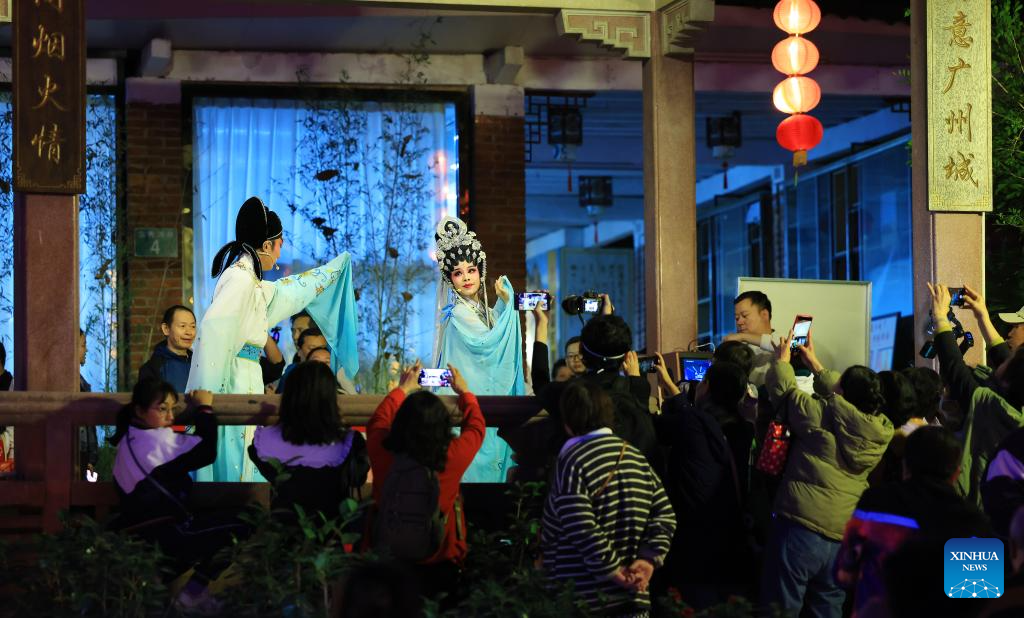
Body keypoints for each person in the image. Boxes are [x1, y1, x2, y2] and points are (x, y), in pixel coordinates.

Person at [186, 196, 359, 482]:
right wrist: (206, 390)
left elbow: (285, 293)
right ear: (266, 246)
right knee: (235, 460)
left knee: (243, 457)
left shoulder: (249, 280)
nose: (280, 251)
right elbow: (214, 332)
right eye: (279, 244)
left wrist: (331, 272)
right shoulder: (240, 279)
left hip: (246, 375)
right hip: (234, 378)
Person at [760, 331, 894, 618]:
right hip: (841, 532)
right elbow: (839, 397)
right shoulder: (879, 432)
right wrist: (815, 364)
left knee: (782, 606)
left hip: (800, 523)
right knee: (829, 605)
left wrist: (782, 361)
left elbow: (785, 394)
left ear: (841, 392)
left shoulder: (818, 414)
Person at [540, 379, 676, 616]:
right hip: (633, 597)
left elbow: (580, 525)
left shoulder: (573, 461)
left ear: (567, 422)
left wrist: (614, 572)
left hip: (585, 599)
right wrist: (648, 560)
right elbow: (665, 514)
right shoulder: (635, 457)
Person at [110, 380, 243, 611]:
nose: (171, 416)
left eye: (173, 408)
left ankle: (159, 591)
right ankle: (191, 595)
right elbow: (206, 450)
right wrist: (204, 408)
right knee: (245, 523)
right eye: (162, 409)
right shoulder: (157, 440)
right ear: (139, 411)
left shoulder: (129, 436)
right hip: (170, 538)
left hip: (139, 538)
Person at [836, 426, 989, 618]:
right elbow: (980, 600)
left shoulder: (875, 503)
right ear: (956, 473)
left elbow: (844, 573)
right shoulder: (975, 524)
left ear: (905, 465)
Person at [366, 360, 484, 604]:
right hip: (441, 559)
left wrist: (403, 388)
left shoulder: (383, 450)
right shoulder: (452, 455)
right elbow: (476, 428)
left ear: (400, 422)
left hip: (388, 559)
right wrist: (464, 392)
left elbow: (378, 420)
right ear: (443, 425)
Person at [654, 358, 755, 608]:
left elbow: (654, 427)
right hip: (730, 536)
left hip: (692, 537)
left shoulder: (692, 424)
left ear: (706, 386)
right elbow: (695, 420)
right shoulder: (745, 429)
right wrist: (673, 390)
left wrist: (636, 381)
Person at [431, 216, 522, 483]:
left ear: (479, 271)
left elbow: (493, 329)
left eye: (471, 270)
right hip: (468, 403)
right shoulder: (459, 312)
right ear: (450, 280)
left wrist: (504, 304)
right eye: (458, 273)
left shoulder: (482, 310)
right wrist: (510, 309)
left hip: (479, 401)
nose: (466, 278)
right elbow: (488, 343)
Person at [926, 283, 1024, 505]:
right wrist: (982, 317)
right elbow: (1007, 360)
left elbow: (955, 370)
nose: (1008, 334)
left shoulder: (991, 407)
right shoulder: (1015, 401)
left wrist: (940, 318)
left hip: (982, 504)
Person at [248, 361, 369, 520]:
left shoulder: (264, 442)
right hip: (331, 532)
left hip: (280, 532)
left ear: (289, 396)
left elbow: (264, 466)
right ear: (332, 398)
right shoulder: (350, 443)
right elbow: (358, 479)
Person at [138, 305, 196, 393]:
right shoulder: (152, 368)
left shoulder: (198, 363)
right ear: (166, 329)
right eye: (183, 326)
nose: (189, 332)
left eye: (193, 326)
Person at [723, 291, 776, 386]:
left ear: (764, 315)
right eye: (737, 318)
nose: (739, 322)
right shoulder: (738, 348)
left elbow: (779, 346)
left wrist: (742, 336)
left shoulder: (781, 341)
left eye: (744, 316)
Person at [276, 327, 329, 393]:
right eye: (312, 348)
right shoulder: (291, 374)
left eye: (322, 348)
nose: (318, 352)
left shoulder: (333, 371)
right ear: (299, 350)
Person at [78, 328, 99, 481]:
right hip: (77, 454)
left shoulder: (82, 384)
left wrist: (91, 459)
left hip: (83, 455)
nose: (86, 350)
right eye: (83, 345)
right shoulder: (77, 385)